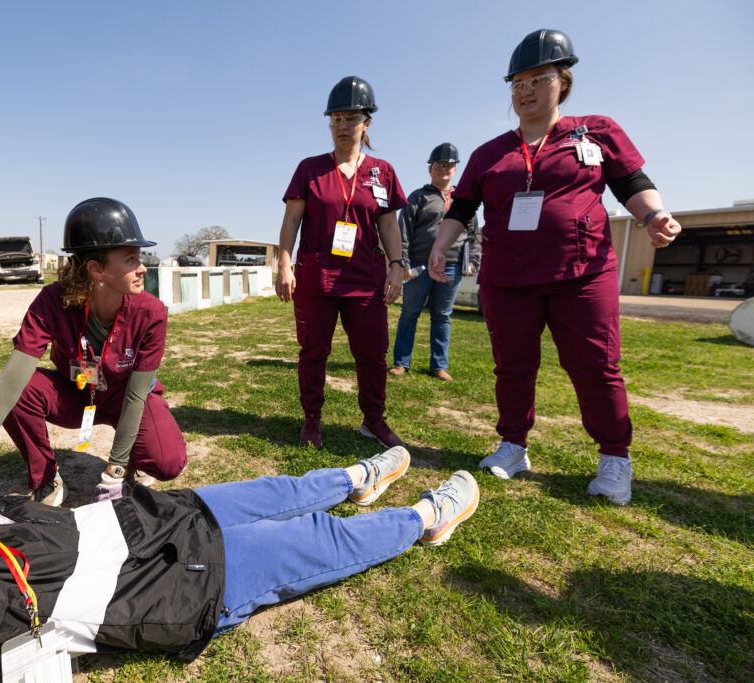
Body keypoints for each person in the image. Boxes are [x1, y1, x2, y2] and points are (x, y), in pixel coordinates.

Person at [0, 427, 480, 680]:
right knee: (319, 541)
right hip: (181, 583)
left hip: (161, 523)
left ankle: (358, 478)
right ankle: (424, 520)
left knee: (282, 490)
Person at [427, 29, 681, 504]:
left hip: (581, 273)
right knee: (513, 366)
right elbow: (461, 209)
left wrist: (654, 214)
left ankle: (614, 458)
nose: (524, 91)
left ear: (562, 82)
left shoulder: (596, 131)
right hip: (508, 278)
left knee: (594, 365)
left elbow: (632, 182)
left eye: (536, 79)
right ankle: (513, 445)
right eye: (517, 83)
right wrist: (441, 245)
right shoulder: (489, 153)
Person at [0, 198, 187, 506]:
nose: (142, 267)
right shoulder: (53, 301)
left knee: (168, 461)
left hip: (125, 395)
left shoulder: (151, 311)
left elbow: (136, 394)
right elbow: (12, 378)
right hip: (78, 392)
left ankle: (134, 460)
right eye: (130, 259)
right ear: (96, 269)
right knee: (21, 390)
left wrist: (115, 470)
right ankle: (47, 480)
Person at [276, 76, 409, 450]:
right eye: (335, 118)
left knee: (372, 352)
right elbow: (291, 221)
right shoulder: (310, 168)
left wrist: (396, 265)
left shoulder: (382, 171)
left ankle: (374, 420)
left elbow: (388, 222)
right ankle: (312, 419)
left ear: (367, 122)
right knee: (314, 351)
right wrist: (284, 264)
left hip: (365, 277)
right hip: (318, 276)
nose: (342, 126)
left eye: (351, 118)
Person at [390, 143, 480, 381]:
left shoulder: (464, 200)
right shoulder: (418, 197)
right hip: (418, 265)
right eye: (440, 165)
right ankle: (401, 363)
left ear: (455, 169)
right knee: (409, 312)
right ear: (430, 169)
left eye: (449, 165)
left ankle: (439, 365)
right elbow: (403, 232)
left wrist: (473, 261)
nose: (444, 169)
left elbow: (474, 234)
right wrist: (404, 262)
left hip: (451, 264)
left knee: (442, 315)